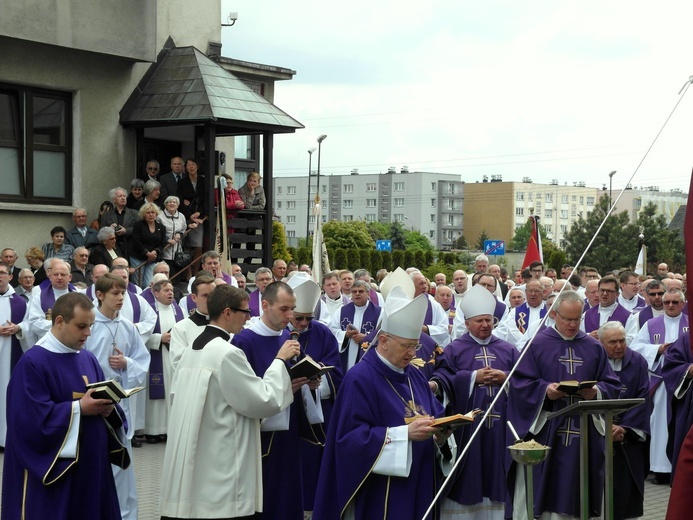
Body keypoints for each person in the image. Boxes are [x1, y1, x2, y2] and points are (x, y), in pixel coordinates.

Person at [314, 286, 454, 520]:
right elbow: (349, 440)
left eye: (415, 345)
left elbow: (435, 414)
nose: (412, 353)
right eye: (406, 346)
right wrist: (404, 434)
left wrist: (442, 433)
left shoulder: (415, 375)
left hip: (420, 480)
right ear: (384, 340)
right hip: (380, 490)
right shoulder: (360, 378)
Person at [160, 285, 296, 519]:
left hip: (197, 455)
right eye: (244, 312)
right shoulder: (227, 353)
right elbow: (263, 400)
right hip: (222, 463)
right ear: (227, 312)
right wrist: (280, 361)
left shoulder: (193, 349)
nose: (248, 318)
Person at [1, 292, 126, 519]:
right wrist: (79, 408)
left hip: (91, 465)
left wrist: (108, 408)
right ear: (59, 321)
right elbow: (27, 422)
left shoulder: (87, 358)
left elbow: (99, 403)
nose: (88, 333)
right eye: (81, 326)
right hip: (57, 471)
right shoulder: (33, 363)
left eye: (90, 326)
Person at [507, 290, 620, 519]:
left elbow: (613, 384)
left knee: (580, 489)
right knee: (547, 488)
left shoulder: (593, 346)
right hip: (547, 428)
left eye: (577, 319)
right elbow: (519, 383)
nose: (572, 324)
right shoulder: (536, 344)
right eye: (567, 318)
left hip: (585, 433)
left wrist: (595, 392)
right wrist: (545, 390)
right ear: (555, 315)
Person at [431, 284, 519, 519]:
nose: (485, 325)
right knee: (469, 472)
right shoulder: (454, 350)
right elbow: (443, 378)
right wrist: (472, 377)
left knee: (500, 471)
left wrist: (506, 379)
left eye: (489, 320)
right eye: (479, 321)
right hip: (468, 430)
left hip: (501, 428)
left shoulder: (509, 350)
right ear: (468, 322)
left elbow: (525, 383)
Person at [231, 282, 310, 520]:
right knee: (267, 495)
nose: (291, 316)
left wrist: (308, 385)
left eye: (293, 309)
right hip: (261, 436)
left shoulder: (288, 337)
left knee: (289, 492)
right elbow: (242, 392)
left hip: (289, 431)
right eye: (284, 309)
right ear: (265, 305)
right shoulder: (244, 342)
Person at [84, 274, 150, 520]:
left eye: (122, 293)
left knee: (123, 467)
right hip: (92, 404)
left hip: (119, 406)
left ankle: (124, 515)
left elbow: (142, 361)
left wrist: (126, 363)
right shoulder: (88, 324)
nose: (121, 298)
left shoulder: (127, 326)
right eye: (115, 293)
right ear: (99, 296)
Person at [286, 274, 343, 516]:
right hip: (286, 410)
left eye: (309, 318)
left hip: (319, 410)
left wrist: (318, 383)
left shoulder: (322, 332)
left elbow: (336, 370)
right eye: (298, 318)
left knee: (315, 461)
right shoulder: (277, 332)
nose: (303, 324)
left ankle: (315, 508)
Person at [631, 288, 689, 484]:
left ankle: (680, 466)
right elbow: (636, 348)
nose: (670, 306)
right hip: (660, 382)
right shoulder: (651, 324)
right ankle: (660, 468)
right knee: (659, 423)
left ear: (683, 304)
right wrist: (658, 349)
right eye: (667, 302)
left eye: (675, 302)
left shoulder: (689, 323)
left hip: (685, 384)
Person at [598, 322, 650, 520]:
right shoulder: (593, 359)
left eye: (622, 341)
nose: (619, 346)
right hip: (597, 432)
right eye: (613, 342)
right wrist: (604, 426)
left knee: (626, 490)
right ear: (601, 343)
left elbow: (643, 398)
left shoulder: (638, 362)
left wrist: (625, 428)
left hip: (627, 436)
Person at [143, 279, 184, 443]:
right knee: (157, 396)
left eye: (172, 290)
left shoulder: (178, 310)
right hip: (157, 358)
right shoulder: (150, 311)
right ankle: (153, 431)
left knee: (171, 394)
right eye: (166, 290)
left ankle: (169, 429)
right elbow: (142, 335)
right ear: (156, 293)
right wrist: (160, 338)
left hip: (173, 358)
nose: (170, 293)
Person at [0, 261, 29, 447]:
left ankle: (5, 438)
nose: (0, 276)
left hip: (9, 358)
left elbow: (31, 325)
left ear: (10, 277)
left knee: (6, 394)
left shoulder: (21, 302)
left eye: (3, 273)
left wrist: (18, 327)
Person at [329, 279, 382, 373]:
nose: (357, 294)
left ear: (368, 293)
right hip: (347, 357)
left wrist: (366, 338)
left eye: (361, 291)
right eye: (354, 292)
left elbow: (384, 333)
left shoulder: (380, 313)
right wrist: (346, 335)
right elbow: (332, 331)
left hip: (369, 359)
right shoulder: (341, 311)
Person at [170, 275, 216, 373]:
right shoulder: (181, 328)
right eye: (205, 295)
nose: (210, 299)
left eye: (213, 295)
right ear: (194, 297)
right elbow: (177, 363)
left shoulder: (226, 325)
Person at [26, 260, 76, 345]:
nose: (59, 277)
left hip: (73, 342)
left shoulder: (79, 296)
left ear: (70, 277)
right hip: (48, 343)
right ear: (50, 276)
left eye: (63, 274)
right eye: (56, 274)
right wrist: (63, 326)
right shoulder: (39, 297)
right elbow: (34, 322)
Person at [178, 158, 206, 278]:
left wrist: (199, 212)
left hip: (200, 216)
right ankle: (188, 274)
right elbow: (179, 200)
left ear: (197, 166)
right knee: (187, 246)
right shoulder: (182, 182)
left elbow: (207, 199)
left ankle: (196, 272)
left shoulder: (204, 181)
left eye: (193, 164)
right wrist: (190, 215)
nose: (191, 167)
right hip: (186, 216)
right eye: (188, 165)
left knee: (198, 246)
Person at [129, 202, 167, 288]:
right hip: (138, 257)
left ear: (156, 214)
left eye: (153, 212)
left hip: (153, 259)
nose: (151, 215)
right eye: (148, 212)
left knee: (148, 284)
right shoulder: (138, 225)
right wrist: (147, 253)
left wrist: (155, 251)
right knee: (137, 284)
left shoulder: (161, 227)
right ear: (144, 214)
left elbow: (162, 243)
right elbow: (136, 241)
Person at [157, 195, 195, 275]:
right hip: (164, 248)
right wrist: (167, 239)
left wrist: (179, 234)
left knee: (177, 275)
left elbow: (184, 228)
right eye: (169, 202)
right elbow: (158, 231)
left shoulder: (181, 216)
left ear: (177, 205)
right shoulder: (160, 216)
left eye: (174, 202)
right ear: (166, 204)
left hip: (178, 250)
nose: (172, 204)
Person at [100, 187, 139, 258]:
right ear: (114, 200)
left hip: (131, 248)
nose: (123, 198)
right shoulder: (106, 215)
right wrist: (110, 230)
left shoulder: (135, 213)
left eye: (124, 196)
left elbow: (140, 229)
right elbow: (101, 232)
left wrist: (126, 231)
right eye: (120, 196)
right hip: (112, 248)